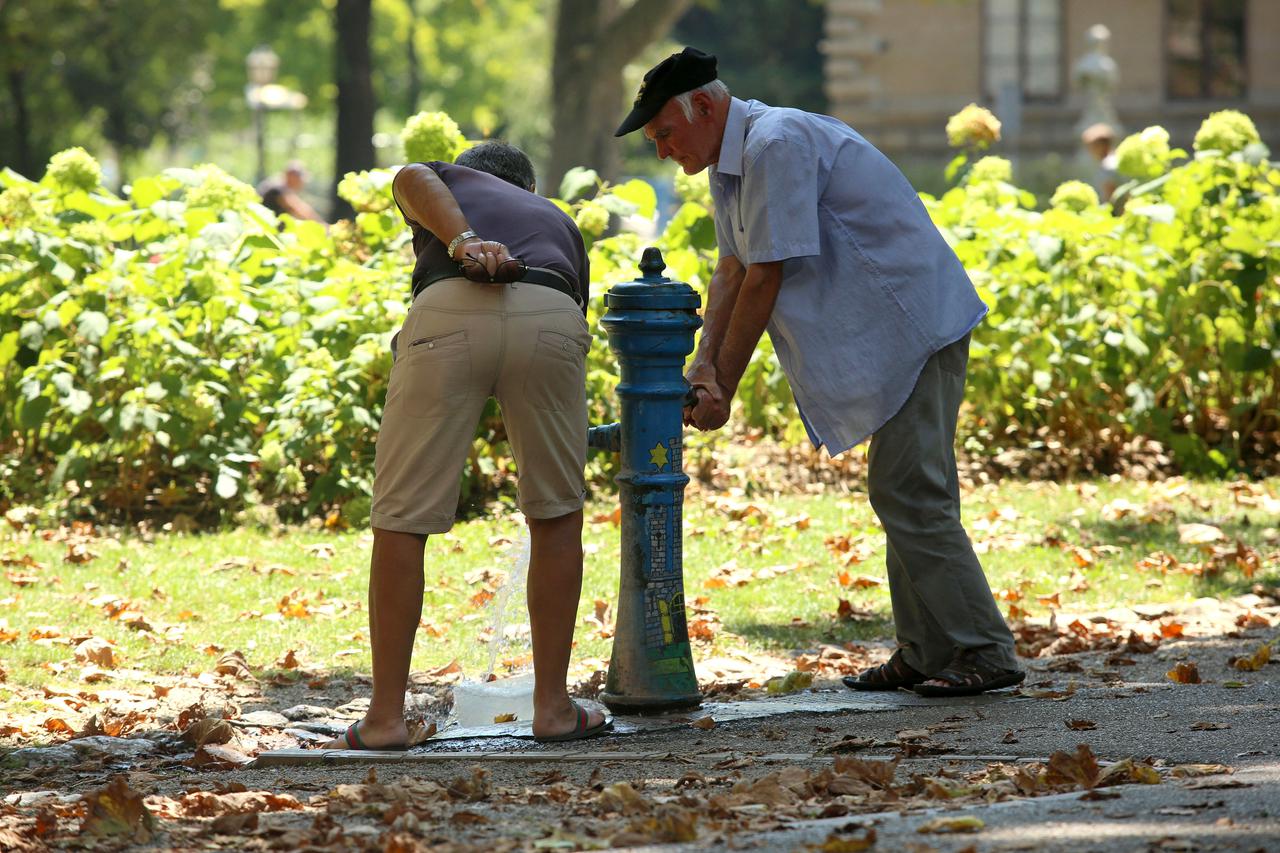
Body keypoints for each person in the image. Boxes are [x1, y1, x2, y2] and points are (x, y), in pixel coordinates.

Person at [615, 48, 1025, 697]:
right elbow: (730, 271)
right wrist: (704, 370)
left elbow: (766, 275)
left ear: (708, 107)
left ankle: (983, 648)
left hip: (913, 324)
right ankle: (927, 649)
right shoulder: (732, 166)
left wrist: (725, 383)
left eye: (665, 132)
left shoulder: (774, 142)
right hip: (894, 332)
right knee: (903, 491)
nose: (662, 151)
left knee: (910, 491)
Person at [321, 141, 610, 749]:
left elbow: (409, 176)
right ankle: (554, 709)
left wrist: (459, 243)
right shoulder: (558, 219)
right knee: (556, 514)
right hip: (551, 315)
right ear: (527, 190)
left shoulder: (446, 181)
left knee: (401, 519)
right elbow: (572, 305)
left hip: (449, 310)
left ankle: (384, 719)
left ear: (468, 178)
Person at [258, 161, 326, 222]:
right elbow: (300, 210)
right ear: (291, 176)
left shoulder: (277, 184)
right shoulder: (278, 188)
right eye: (300, 179)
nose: (302, 183)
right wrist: (323, 226)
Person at [1081, 122, 1119, 202]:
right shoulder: (1116, 160)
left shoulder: (1107, 165)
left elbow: (1111, 197)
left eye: (1092, 146)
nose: (1090, 151)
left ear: (1102, 146)